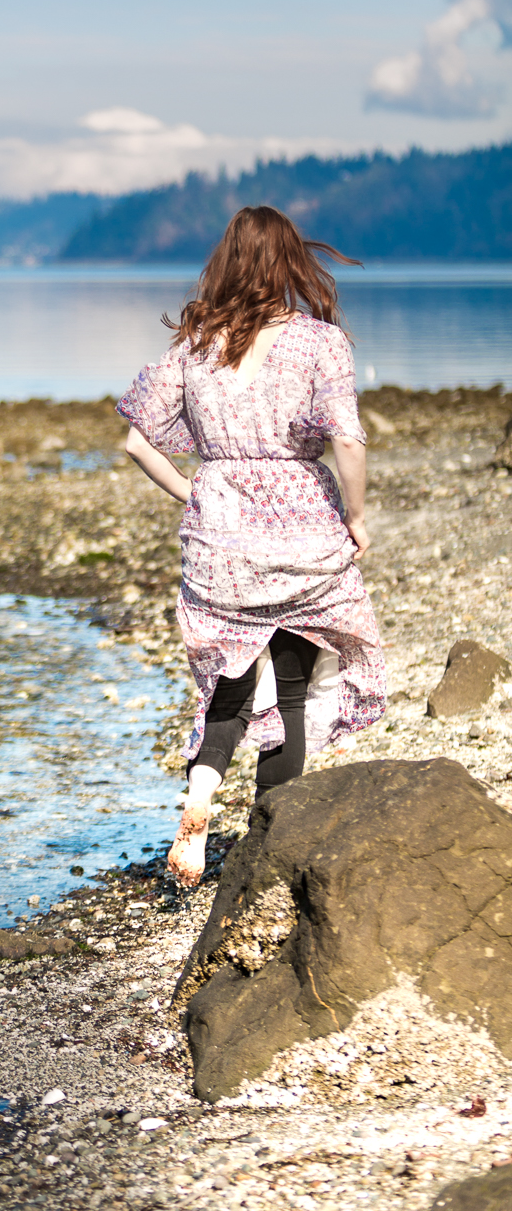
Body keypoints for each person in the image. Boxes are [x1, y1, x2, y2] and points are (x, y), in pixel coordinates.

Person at [117, 205, 385, 888]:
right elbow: (347, 441)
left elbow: (134, 440)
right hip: (302, 531)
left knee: (228, 690)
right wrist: (354, 516)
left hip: (220, 534)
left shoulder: (195, 342)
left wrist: (190, 492)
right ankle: (264, 850)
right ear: (292, 261)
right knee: (292, 693)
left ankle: (200, 798)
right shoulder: (320, 342)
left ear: (227, 261)